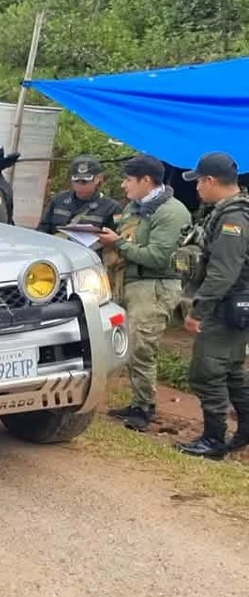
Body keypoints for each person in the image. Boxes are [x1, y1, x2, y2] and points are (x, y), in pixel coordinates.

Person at [99, 154, 191, 431]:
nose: (124, 186)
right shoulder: (135, 208)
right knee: (126, 343)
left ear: (146, 180)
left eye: (128, 180)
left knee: (141, 347)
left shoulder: (171, 212)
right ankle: (138, 401)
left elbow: (160, 257)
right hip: (128, 282)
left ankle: (145, 408)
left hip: (154, 287)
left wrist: (118, 245)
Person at [175, 152, 249, 458]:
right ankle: (244, 431)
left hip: (225, 306)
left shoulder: (233, 218)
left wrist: (197, 311)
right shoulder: (230, 211)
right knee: (230, 370)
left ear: (210, 180)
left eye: (199, 182)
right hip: (234, 304)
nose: (196, 189)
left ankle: (214, 439)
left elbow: (223, 272)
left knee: (207, 373)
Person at [36, 156, 120, 234]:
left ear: (98, 179)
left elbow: (114, 239)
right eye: (76, 180)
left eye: (84, 181)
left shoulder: (112, 208)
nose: (79, 185)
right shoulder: (59, 200)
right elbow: (43, 228)